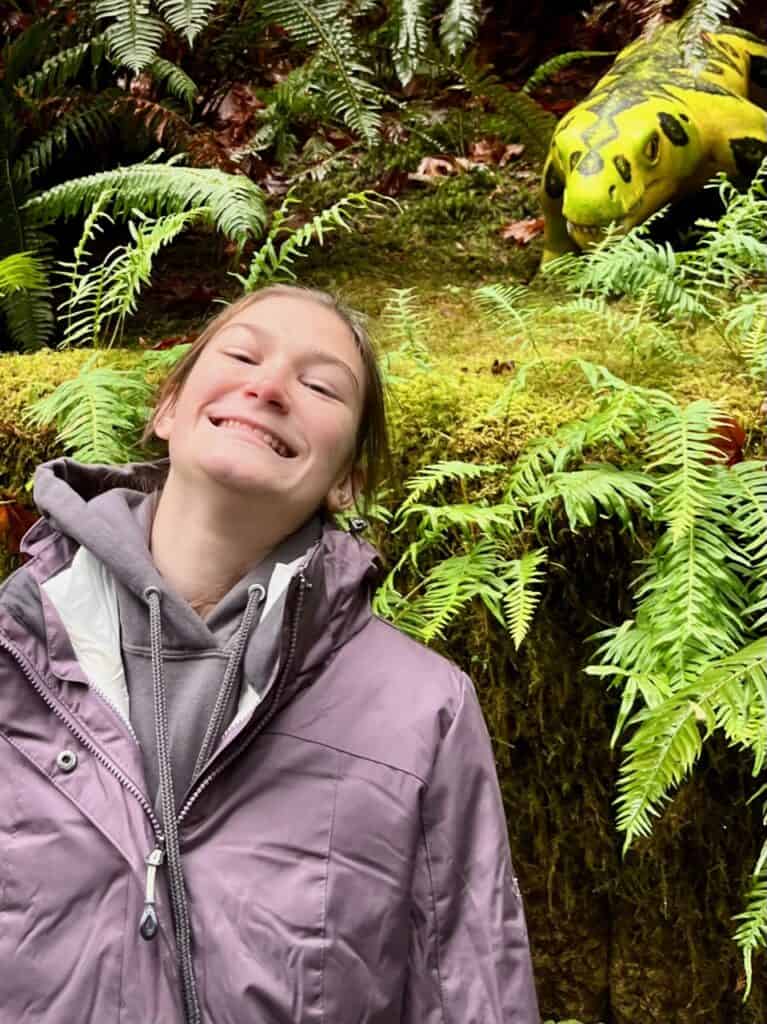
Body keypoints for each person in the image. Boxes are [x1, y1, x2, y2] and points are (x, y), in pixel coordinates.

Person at [0, 284, 539, 1023]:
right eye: (242, 355)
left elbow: (466, 987)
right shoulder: (15, 652)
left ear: (346, 480)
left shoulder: (421, 711)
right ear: (167, 409)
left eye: (319, 386)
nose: (267, 387)